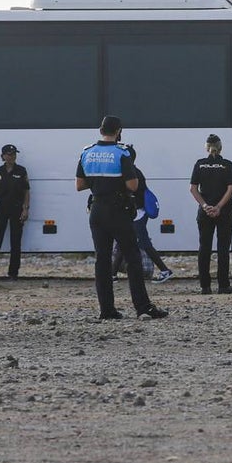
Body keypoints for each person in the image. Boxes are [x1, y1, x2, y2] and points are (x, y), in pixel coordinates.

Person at [75, 116, 168, 320]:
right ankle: (143, 307)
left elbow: (79, 185)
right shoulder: (121, 153)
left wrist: (99, 182)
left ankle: (107, 309)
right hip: (118, 209)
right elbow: (133, 186)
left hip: (97, 209)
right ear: (118, 131)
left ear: (101, 130)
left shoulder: (87, 152)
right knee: (132, 257)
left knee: (102, 259)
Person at [110, 145, 173, 283]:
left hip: (137, 214)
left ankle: (165, 270)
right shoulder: (134, 171)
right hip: (136, 213)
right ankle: (112, 274)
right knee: (122, 242)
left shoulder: (131, 173)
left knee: (144, 243)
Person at [189, 134, 232, 294]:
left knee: (204, 248)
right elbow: (231, 188)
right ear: (220, 147)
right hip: (223, 212)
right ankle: (223, 285)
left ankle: (205, 286)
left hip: (204, 213)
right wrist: (218, 207)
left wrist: (205, 205)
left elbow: (193, 188)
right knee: (222, 248)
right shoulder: (227, 164)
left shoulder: (200, 164)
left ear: (206, 147)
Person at [0, 144, 30, 280]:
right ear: (3, 156)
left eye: (14, 154)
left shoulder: (21, 171)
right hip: (1, 209)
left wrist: (25, 209)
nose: (12, 156)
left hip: (16, 209)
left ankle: (13, 273)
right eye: (9, 154)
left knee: (15, 242)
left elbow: (26, 191)